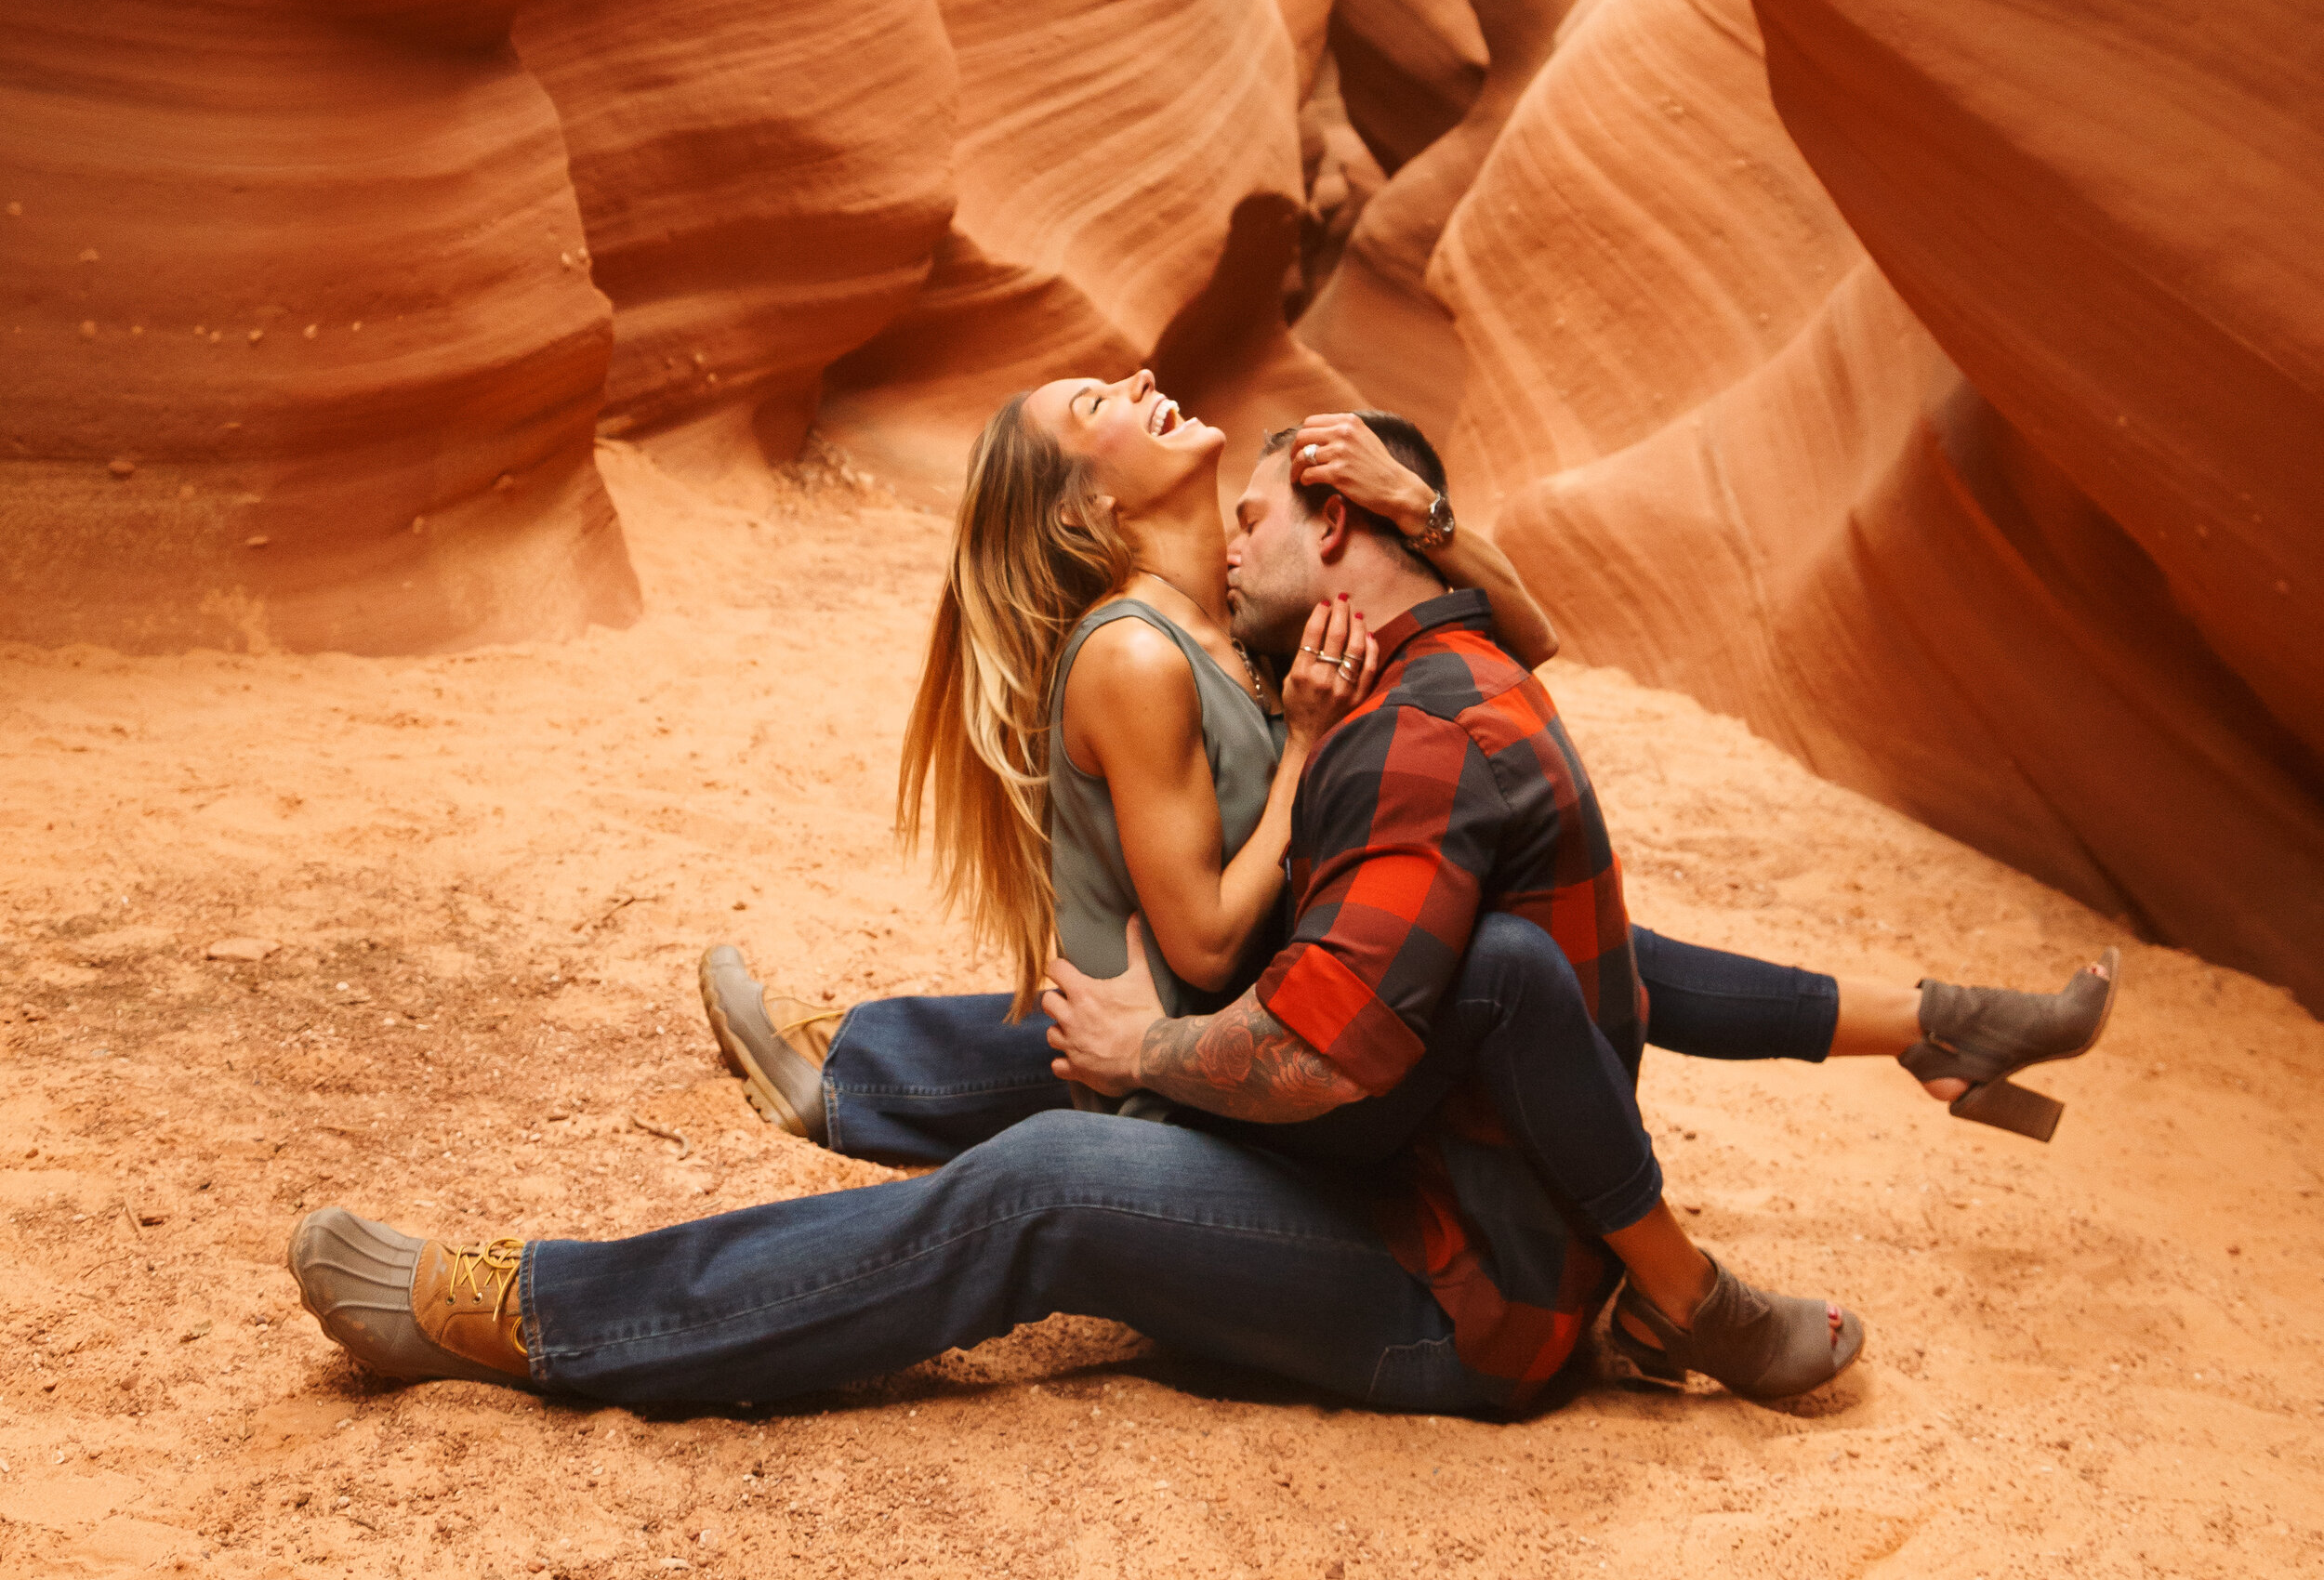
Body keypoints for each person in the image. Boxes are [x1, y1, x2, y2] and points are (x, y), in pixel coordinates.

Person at [701, 387, 2119, 1166]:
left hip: (1243, 1002)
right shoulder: (1144, 655)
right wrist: (1313, 742)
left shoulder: (1240, 623)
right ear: (1089, 503)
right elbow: (1196, 941)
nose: (1142, 379)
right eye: (1103, 404)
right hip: (1202, 1056)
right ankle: (852, 1076)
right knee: (1549, 944)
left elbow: (1530, 643)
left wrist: (1417, 507)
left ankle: (1944, 1025)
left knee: (1570, 926)